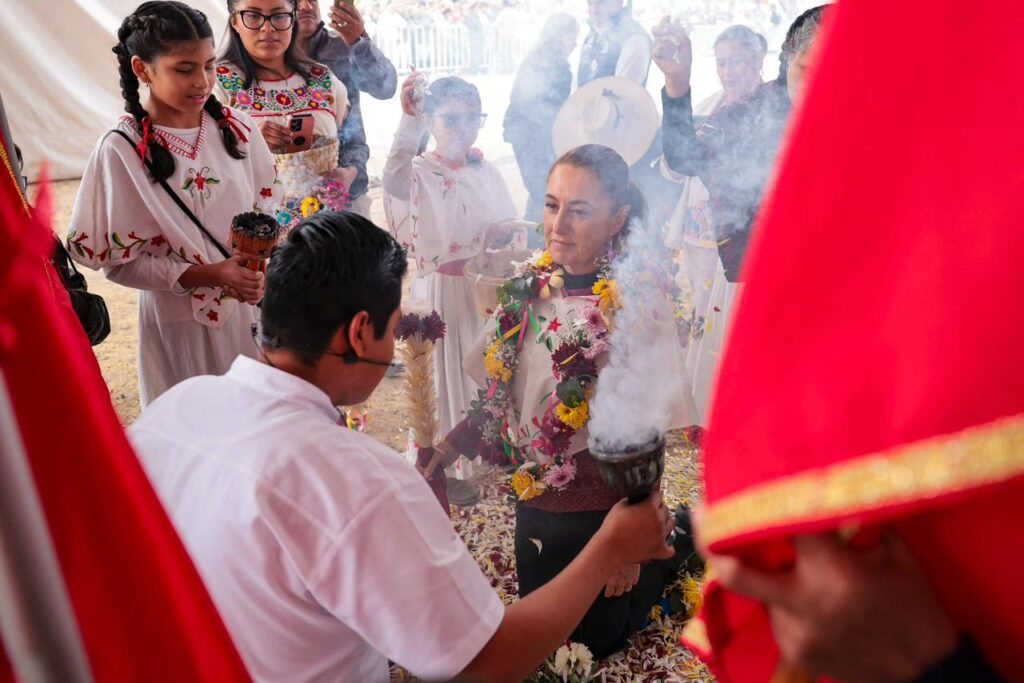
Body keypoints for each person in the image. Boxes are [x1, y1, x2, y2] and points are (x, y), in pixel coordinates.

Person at [129, 211, 679, 682]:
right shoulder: (356, 479)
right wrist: (609, 549)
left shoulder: (171, 410)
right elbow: (483, 664)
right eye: (392, 330)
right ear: (359, 332)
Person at [429, 145, 699, 658]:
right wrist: (448, 447)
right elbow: (499, 392)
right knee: (547, 632)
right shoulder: (527, 286)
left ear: (617, 218)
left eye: (580, 210)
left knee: (598, 643)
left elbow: (647, 433)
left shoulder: (635, 303)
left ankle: (677, 538)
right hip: (537, 492)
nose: (558, 225)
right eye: (552, 205)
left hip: (605, 507)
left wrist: (630, 547)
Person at [67, 1, 278, 407]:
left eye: (209, 66)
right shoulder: (122, 149)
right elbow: (118, 264)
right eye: (184, 69)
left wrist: (259, 270)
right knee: (191, 425)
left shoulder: (237, 128)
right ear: (142, 69)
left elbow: (269, 213)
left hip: (250, 317)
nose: (202, 82)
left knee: (254, 425)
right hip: (178, 327)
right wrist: (211, 274)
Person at [654, 5, 827, 421]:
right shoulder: (750, 110)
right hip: (761, 278)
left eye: (831, 72)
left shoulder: (862, 107)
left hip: (837, 286)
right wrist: (677, 83)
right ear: (787, 59)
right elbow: (685, 157)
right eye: (806, 70)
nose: (817, 85)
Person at [382, 75, 521, 468]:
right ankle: (452, 466)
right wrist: (408, 122)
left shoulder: (486, 170)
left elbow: (506, 224)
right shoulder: (421, 170)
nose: (463, 128)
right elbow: (393, 180)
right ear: (430, 121)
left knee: (487, 368)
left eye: (471, 118)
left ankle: (489, 451)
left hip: (484, 290)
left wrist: (499, 234)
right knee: (450, 370)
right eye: (451, 119)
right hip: (445, 288)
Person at [661, 24, 766, 322]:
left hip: (742, 239)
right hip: (698, 231)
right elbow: (679, 163)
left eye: (737, 61)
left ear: (758, 61)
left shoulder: (770, 109)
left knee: (733, 315)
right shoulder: (707, 106)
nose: (728, 72)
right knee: (703, 313)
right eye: (722, 63)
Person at [214, 0, 350, 228]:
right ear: (234, 21)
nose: (268, 28)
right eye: (253, 16)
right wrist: (245, 140)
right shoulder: (216, 84)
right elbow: (200, 163)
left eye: (279, 16)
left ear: (293, 19)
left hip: (322, 231)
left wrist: (347, 173)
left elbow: (347, 142)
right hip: (253, 234)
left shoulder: (323, 79)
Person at [295, 0, 398, 218]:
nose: (305, 6)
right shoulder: (268, 55)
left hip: (349, 187)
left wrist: (358, 40)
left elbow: (385, 87)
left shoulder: (342, 44)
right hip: (290, 196)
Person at [504, 13, 578, 224]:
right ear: (558, 35)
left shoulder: (535, 58)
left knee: (540, 190)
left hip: (522, 133)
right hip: (534, 136)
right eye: (571, 37)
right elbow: (554, 112)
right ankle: (538, 237)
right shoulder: (557, 67)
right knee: (543, 193)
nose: (574, 44)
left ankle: (532, 234)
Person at [578, 0, 652, 86]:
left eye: (601, 3)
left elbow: (622, 90)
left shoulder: (635, 39)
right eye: (590, 3)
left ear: (618, 2)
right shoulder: (592, 36)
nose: (594, 11)